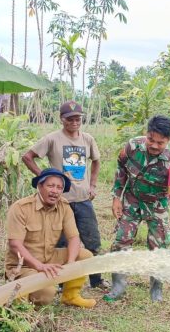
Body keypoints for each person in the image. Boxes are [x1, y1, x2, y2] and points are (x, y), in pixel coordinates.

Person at [103, 115, 170, 303]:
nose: (154, 146)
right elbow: (121, 168)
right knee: (121, 240)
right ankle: (118, 285)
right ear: (146, 134)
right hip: (132, 200)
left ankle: (156, 290)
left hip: (156, 205)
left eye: (160, 143)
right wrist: (116, 197)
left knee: (159, 247)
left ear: (168, 141)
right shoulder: (132, 147)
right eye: (151, 140)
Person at [21, 101, 108, 289]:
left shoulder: (87, 139)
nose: (74, 122)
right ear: (62, 119)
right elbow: (27, 157)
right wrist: (45, 177)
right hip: (60, 202)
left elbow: (96, 161)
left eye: (78, 118)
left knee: (92, 240)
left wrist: (92, 184)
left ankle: (96, 280)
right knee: (60, 243)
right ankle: (60, 283)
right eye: (70, 119)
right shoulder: (52, 139)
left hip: (84, 199)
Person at [4, 168, 97, 308]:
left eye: (59, 187)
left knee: (85, 255)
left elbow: (74, 238)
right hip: (24, 265)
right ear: (39, 186)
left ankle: (70, 297)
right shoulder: (21, 208)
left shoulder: (64, 206)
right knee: (47, 294)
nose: (55, 191)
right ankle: (18, 298)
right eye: (51, 186)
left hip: (49, 257)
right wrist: (39, 266)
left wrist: (71, 262)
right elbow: (15, 245)